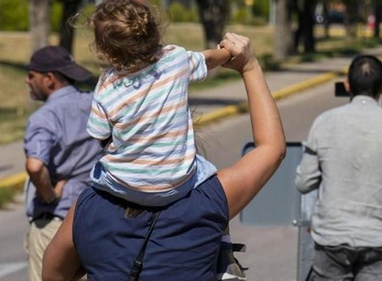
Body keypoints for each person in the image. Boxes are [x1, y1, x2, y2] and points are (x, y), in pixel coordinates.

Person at [41, 31, 285, 281]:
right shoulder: (209, 198)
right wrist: (250, 67)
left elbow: (53, 274)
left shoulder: (88, 206)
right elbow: (271, 148)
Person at [84, 0, 242, 205]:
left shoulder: (106, 84)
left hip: (125, 184)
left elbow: (99, 134)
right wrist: (227, 52)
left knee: (96, 172)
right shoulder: (174, 59)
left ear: (104, 49)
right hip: (176, 183)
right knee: (206, 173)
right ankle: (221, 236)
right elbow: (209, 59)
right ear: (152, 31)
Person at [296, 54, 382, 280]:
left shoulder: (324, 122)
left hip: (332, 237)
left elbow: (304, 182)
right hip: (380, 239)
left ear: (347, 85)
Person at [23, 45, 103, 281]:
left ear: (49, 79)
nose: (27, 81)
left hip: (56, 224)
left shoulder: (45, 118)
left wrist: (48, 195)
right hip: (95, 217)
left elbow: (35, 165)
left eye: (31, 76)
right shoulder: (95, 102)